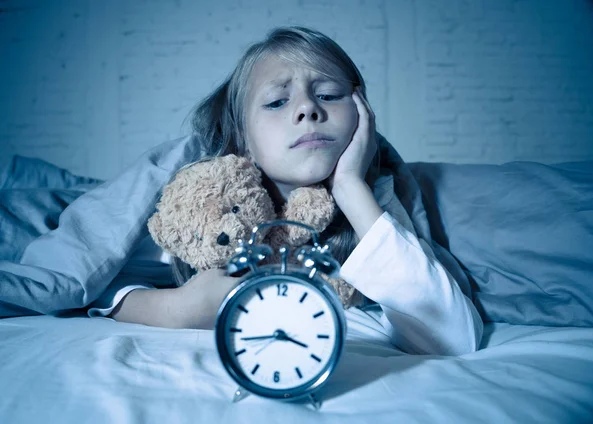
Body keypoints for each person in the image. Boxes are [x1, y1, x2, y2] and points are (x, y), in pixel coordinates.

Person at [88, 26, 483, 355]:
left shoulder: (371, 200)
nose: (307, 110)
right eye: (277, 102)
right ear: (242, 139)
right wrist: (176, 309)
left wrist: (349, 187)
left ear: (363, 114)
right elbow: (94, 280)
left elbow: (452, 336)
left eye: (328, 95)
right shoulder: (204, 200)